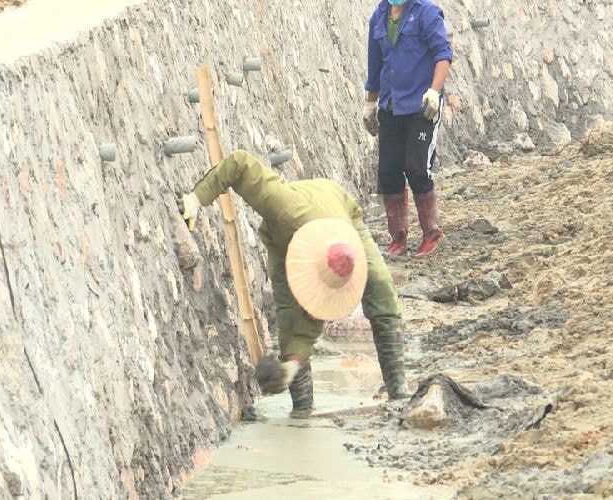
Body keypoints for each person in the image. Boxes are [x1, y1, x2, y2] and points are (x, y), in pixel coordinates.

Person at [178, 150, 409, 417]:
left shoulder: (347, 249)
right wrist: (197, 198)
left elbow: (320, 306)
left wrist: (289, 367)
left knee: (380, 285)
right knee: (291, 316)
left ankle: (398, 389)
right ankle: (301, 409)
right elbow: (240, 164)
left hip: (343, 215)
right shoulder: (282, 206)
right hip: (286, 236)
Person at [364, 0, 453, 257]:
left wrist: (434, 92)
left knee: (416, 167)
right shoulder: (379, 17)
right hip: (392, 106)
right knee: (389, 172)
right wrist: (370, 104)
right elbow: (375, 65)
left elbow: (442, 55)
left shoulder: (426, 13)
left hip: (422, 106)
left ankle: (431, 233)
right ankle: (398, 239)